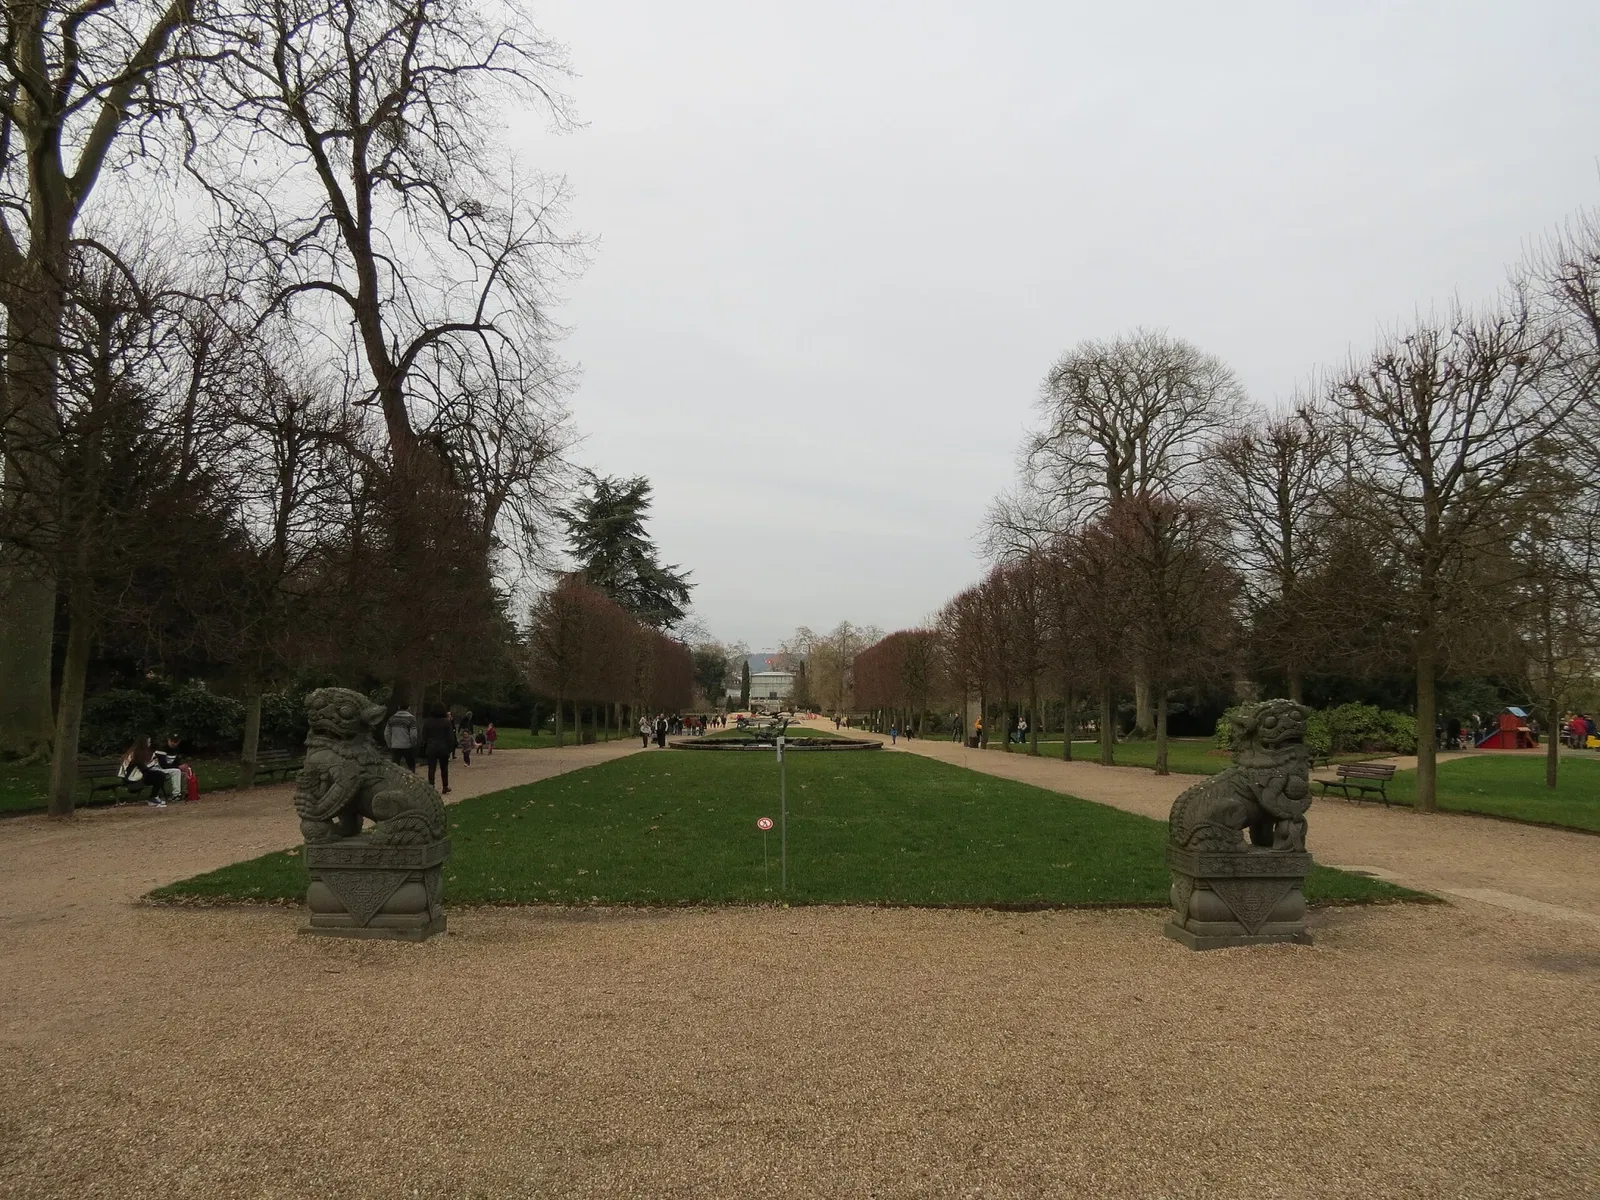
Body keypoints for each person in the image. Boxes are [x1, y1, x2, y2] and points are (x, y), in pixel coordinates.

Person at [119, 736, 178, 806]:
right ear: (144, 743)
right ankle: (153, 797)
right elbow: (143, 768)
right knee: (160, 775)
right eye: (149, 742)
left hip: (132, 777)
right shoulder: (136, 754)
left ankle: (154, 797)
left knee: (158, 774)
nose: (150, 744)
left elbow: (142, 768)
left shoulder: (134, 752)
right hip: (132, 780)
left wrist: (152, 764)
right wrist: (153, 763)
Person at [420, 703, 455, 794]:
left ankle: (431, 786)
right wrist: (450, 748)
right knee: (444, 768)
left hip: (431, 746)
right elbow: (450, 737)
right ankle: (445, 786)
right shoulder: (446, 722)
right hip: (443, 747)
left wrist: (425, 745)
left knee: (431, 768)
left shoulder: (427, 721)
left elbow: (424, 736)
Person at [385, 704, 418, 772]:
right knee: (411, 766)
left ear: (398, 707)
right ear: (408, 708)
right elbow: (413, 735)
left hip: (395, 746)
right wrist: (413, 743)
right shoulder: (411, 718)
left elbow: (386, 733)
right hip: (407, 746)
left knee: (395, 768)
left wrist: (389, 744)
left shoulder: (391, 718)